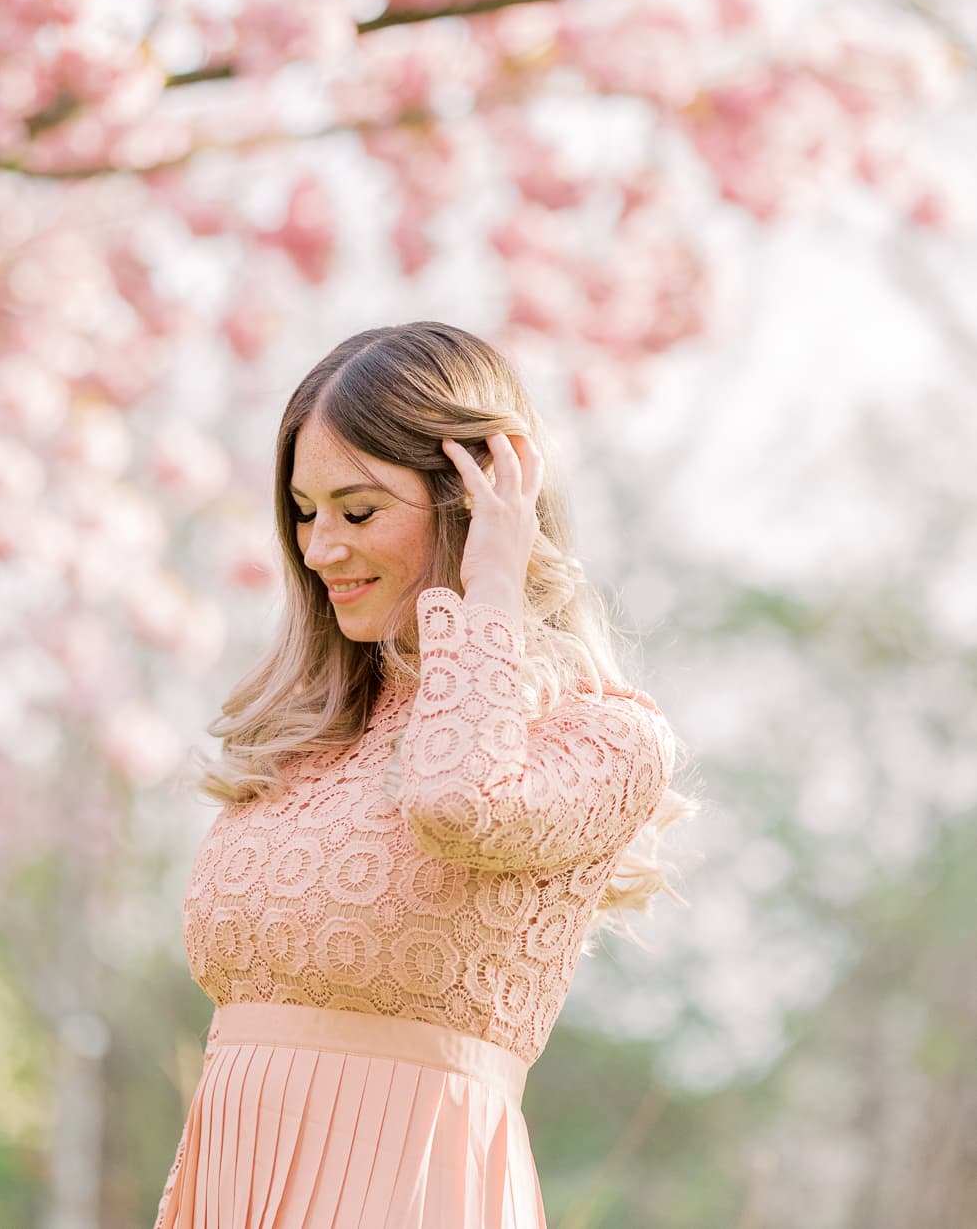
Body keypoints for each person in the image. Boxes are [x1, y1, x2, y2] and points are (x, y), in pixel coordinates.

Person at [153, 321, 693, 1228]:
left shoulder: (605, 735)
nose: (320, 548)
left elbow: (459, 802)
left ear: (477, 501)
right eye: (303, 510)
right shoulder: (310, 737)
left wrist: (489, 590)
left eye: (357, 511)